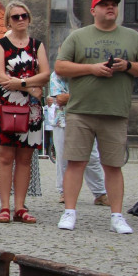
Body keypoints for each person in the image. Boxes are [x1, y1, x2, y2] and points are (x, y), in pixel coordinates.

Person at [55, 0, 138, 234]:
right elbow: (60, 66)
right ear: (93, 10)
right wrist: (92, 68)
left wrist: (127, 66)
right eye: (105, 5)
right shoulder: (78, 36)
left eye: (113, 5)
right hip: (81, 110)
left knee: (113, 165)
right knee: (75, 163)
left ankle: (117, 216)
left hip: (115, 111)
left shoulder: (132, 36)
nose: (110, 8)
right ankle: (70, 212)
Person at [0, 1, 49, 224]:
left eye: (24, 15)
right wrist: (30, 85)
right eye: (15, 17)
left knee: (25, 158)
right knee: (5, 157)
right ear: (8, 21)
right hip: (5, 105)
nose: (20, 19)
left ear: (29, 18)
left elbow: (45, 75)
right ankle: (4, 206)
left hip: (30, 107)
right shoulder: (0, 45)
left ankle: (20, 206)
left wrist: (22, 83)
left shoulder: (36, 45)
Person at [48, 71, 108, 205]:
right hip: (62, 120)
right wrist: (83, 94)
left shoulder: (87, 73)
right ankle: (64, 192)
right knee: (63, 158)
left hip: (85, 118)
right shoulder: (57, 75)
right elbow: (60, 99)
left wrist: (74, 96)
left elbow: (95, 94)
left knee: (92, 156)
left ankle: (100, 193)